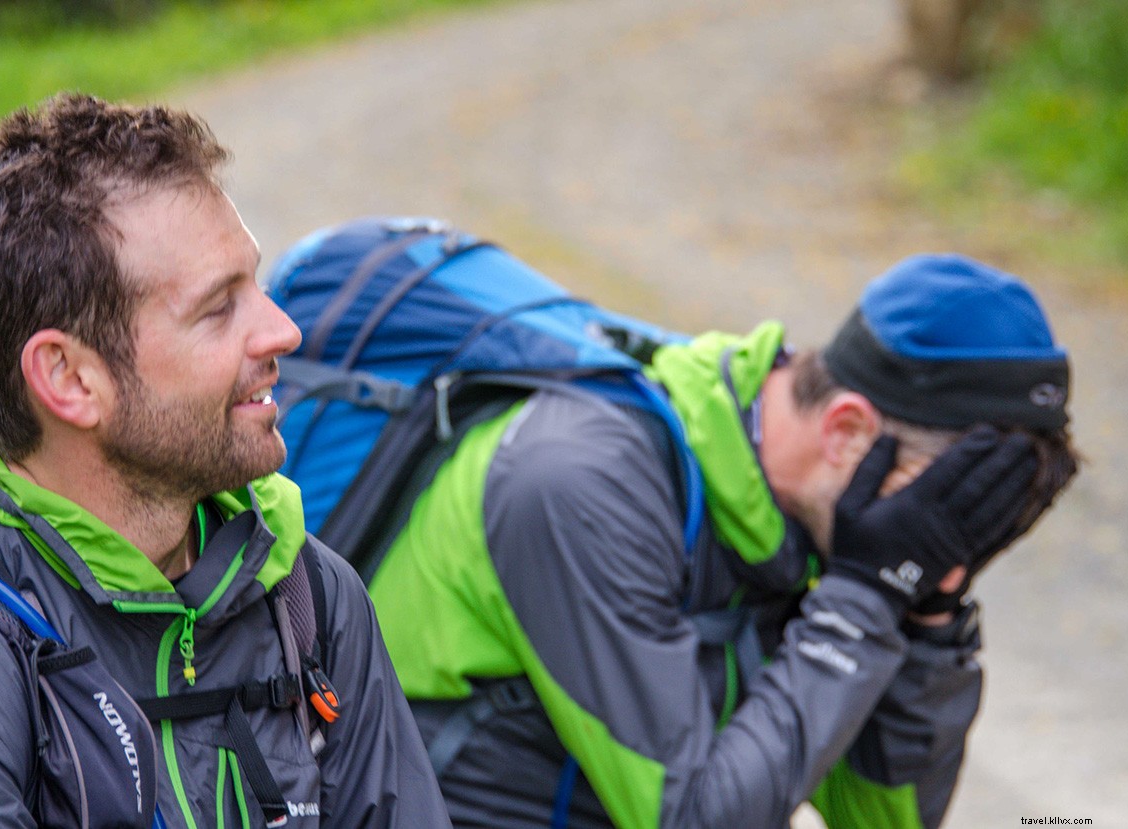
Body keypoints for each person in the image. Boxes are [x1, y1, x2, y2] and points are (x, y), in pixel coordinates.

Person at [0, 93, 450, 827]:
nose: (283, 330)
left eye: (257, 284)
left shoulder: (306, 598)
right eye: (218, 308)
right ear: (69, 378)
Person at [362, 253, 1079, 827]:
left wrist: (927, 612)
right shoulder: (580, 482)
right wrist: (860, 600)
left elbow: (882, 821)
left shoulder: (818, 509)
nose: (930, 548)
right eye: (935, 498)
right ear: (847, 430)